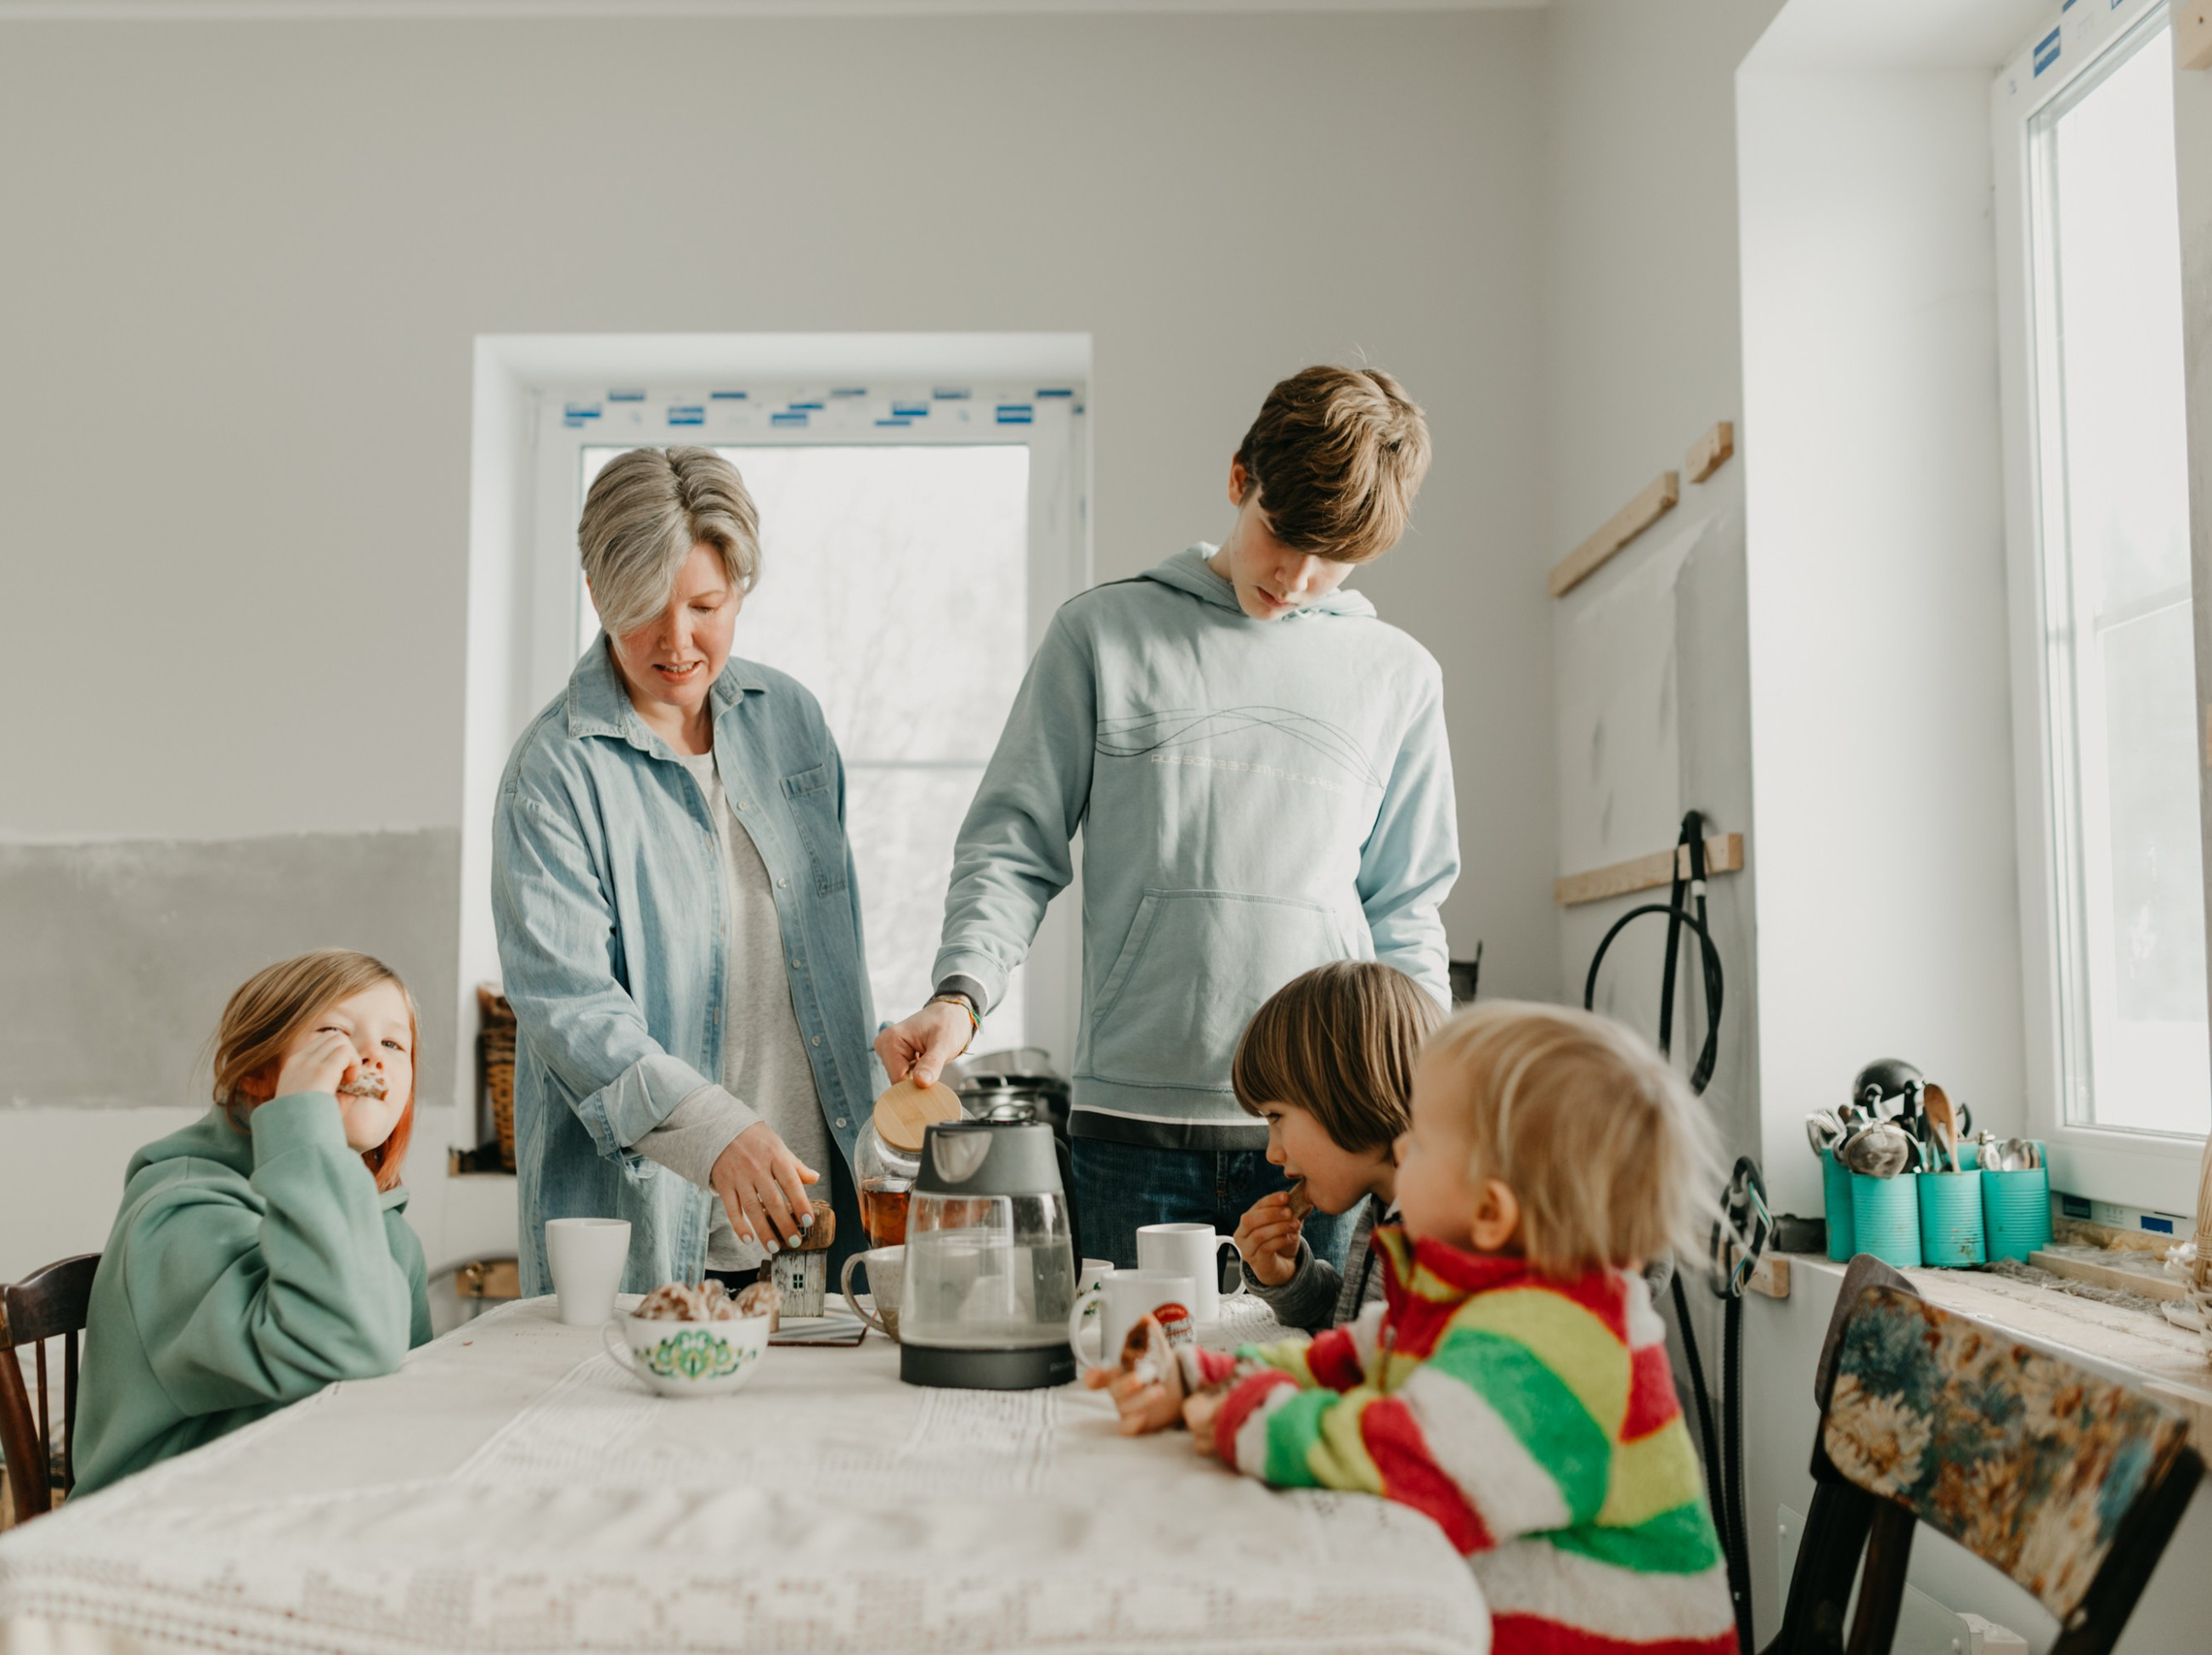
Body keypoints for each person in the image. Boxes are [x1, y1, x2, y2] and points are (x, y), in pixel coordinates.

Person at [878, 366, 1459, 1270]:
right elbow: (1011, 844)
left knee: (1320, 1397)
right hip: (1131, 1135)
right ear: (1239, 480)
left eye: (1333, 558)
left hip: (1330, 1137)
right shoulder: (1101, 636)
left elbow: (1408, 907)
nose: (1299, 578)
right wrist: (961, 996)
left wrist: (1436, 1103)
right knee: (1125, 1393)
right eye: (1283, 536)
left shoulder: (1400, 678)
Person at [1098, 1003, 1737, 1655]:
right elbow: (1346, 1359)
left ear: (1490, 1211)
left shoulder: (1560, 1342)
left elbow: (1412, 1462)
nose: (1401, 1146)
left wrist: (1250, 1416)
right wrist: (1200, 1372)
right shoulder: (1474, 1298)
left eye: (1424, 1140)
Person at [494, 446, 879, 1298]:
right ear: (595, 594)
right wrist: (714, 1130)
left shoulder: (793, 725)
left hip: (813, 1226)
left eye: (705, 605)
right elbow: (570, 1006)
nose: (677, 641)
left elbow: (830, 962)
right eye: (643, 608)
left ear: (739, 588)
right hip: (647, 1234)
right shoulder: (553, 772)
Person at [74, 950, 432, 1496]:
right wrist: (306, 1127)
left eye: (393, 1043)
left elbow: (403, 1399)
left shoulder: (384, 1229)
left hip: (298, 1506)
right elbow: (351, 1344)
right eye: (333, 1034)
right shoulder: (177, 1216)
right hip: (162, 1534)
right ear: (262, 1074)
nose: (369, 1059)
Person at [1228, 960, 1445, 1333]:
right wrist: (1289, 1277)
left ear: (1350, 1092)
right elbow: (1356, 1329)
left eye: (1276, 1117)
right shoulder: (1386, 1209)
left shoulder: (1441, 1238)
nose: (1272, 1153)